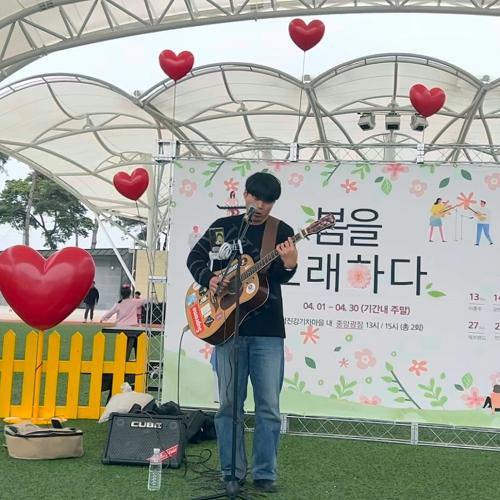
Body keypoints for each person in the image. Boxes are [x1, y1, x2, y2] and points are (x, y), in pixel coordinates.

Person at [187, 171, 298, 494]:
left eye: (269, 201)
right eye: (257, 198)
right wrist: (209, 278)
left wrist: (289, 264)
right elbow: (194, 257)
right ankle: (230, 472)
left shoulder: (282, 231)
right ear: (246, 195)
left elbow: (280, 277)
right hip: (226, 329)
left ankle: (265, 473)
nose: (261, 206)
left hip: (268, 331)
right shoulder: (223, 227)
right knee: (228, 406)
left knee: (269, 407)